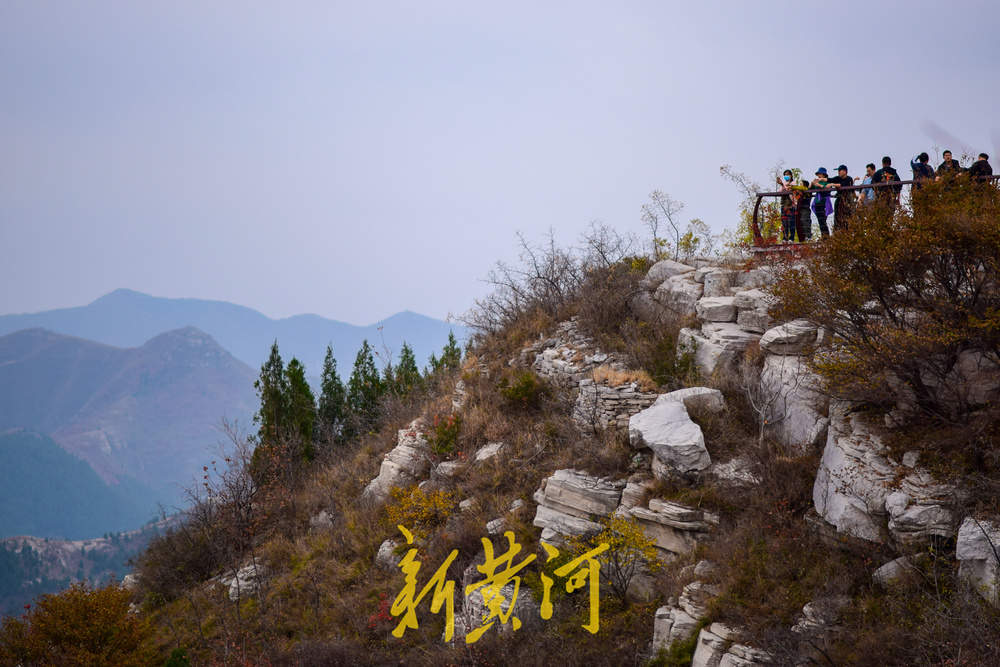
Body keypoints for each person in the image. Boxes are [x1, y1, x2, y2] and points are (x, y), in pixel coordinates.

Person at [826, 164, 855, 232]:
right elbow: (830, 179)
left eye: (840, 170)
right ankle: (837, 233)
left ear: (845, 171)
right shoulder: (838, 178)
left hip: (847, 202)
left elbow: (842, 185)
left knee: (848, 219)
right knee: (837, 219)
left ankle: (847, 233)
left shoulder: (849, 179)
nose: (838, 172)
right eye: (838, 170)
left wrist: (832, 184)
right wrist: (821, 179)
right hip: (839, 201)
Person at [810, 168, 833, 238]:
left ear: (824, 174)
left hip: (824, 203)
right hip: (817, 203)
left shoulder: (828, 181)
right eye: (818, 174)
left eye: (819, 174)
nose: (818, 176)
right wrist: (811, 183)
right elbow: (810, 189)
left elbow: (825, 189)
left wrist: (817, 184)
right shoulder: (817, 182)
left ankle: (826, 237)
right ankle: (824, 236)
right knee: (820, 221)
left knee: (823, 221)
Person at [777, 169, 797, 242]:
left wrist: (782, 185)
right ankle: (785, 237)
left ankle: (791, 238)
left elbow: (789, 189)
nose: (786, 176)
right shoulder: (784, 183)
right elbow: (779, 192)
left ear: (791, 175)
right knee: (784, 222)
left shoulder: (794, 183)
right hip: (783, 205)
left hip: (791, 205)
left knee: (791, 222)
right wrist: (782, 185)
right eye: (785, 175)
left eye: (788, 174)